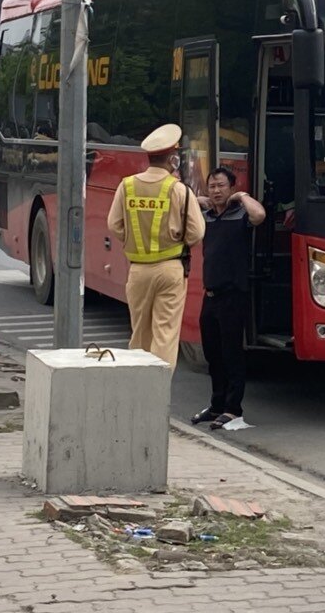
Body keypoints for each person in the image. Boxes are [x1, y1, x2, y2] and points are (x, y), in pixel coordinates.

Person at [107, 123, 205, 368]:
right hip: (171, 270)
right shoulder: (179, 189)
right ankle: (158, 394)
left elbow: (114, 224)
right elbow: (197, 232)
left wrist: (133, 243)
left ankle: (138, 387)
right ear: (172, 158)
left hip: (138, 270)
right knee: (165, 335)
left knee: (140, 333)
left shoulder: (127, 186)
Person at [192, 167, 265, 430]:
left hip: (234, 294)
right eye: (212, 186)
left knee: (231, 353)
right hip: (210, 295)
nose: (216, 191)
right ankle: (216, 405)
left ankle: (233, 409)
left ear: (231, 187)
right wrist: (195, 200)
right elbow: (177, 211)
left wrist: (242, 196)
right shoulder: (206, 216)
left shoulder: (241, 214)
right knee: (213, 353)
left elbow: (260, 215)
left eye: (221, 186)